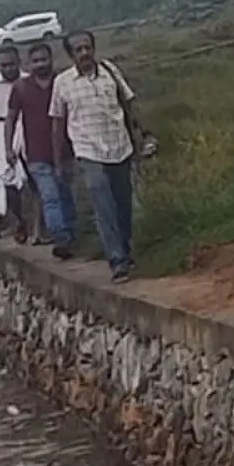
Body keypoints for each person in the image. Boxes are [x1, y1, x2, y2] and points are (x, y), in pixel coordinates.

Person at [50, 29, 152, 283]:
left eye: (87, 47)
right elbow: (57, 123)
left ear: (93, 48)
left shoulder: (110, 72)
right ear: (70, 54)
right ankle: (116, 260)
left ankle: (125, 249)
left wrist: (140, 136)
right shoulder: (62, 83)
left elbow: (128, 105)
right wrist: (59, 159)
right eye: (78, 50)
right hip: (87, 150)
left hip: (119, 146)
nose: (84, 53)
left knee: (123, 202)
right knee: (101, 199)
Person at [8, 41, 75, 257]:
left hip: (65, 149)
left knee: (65, 194)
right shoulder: (20, 88)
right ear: (29, 63)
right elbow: (11, 119)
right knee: (50, 196)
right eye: (36, 61)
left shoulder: (63, 82)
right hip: (36, 154)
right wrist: (9, 147)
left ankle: (72, 234)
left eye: (44, 60)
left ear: (51, 59)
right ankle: (61, 237)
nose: (40, 64)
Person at [0, 45, 29, 241]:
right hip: (1, 130)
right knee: (8, 179)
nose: (8, 69)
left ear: (19, 62)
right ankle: (18, 222)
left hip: (27, 126)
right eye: (3, 65)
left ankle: (36, 223)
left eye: (11, 64)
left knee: (30, 177)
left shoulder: (28, 81)